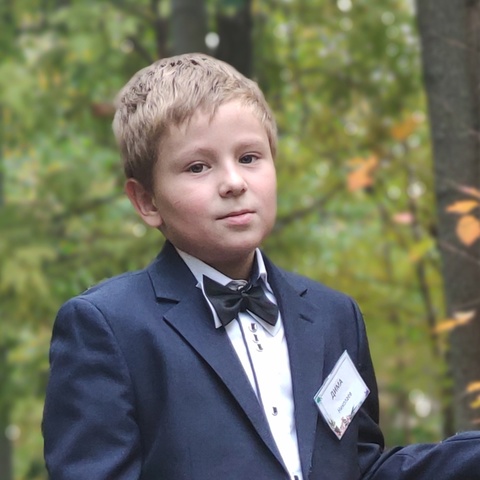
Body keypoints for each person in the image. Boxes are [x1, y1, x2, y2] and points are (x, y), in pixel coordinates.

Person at [42, 53, 480, 480]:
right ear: (146, 201)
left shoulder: (334, 316)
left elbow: (359, 467)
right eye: (198, 167)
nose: (234, 182)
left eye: (249, 158)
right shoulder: (108, 327)